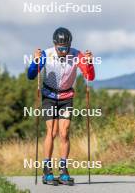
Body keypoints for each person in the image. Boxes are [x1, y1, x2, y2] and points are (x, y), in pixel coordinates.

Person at [27, 27, 95, 184]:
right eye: (60, 48)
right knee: (52, 131)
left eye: (66, 48)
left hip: (66, 96)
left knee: (64, 133)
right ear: (55, 44)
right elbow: (31, 76)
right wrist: (35, 61)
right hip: (49, 96)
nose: (63, 51)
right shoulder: (46, 54)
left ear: (70, 45)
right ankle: (47, 169)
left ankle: (63, 169)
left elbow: (89, 76)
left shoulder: (76, 55)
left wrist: (89, 62)